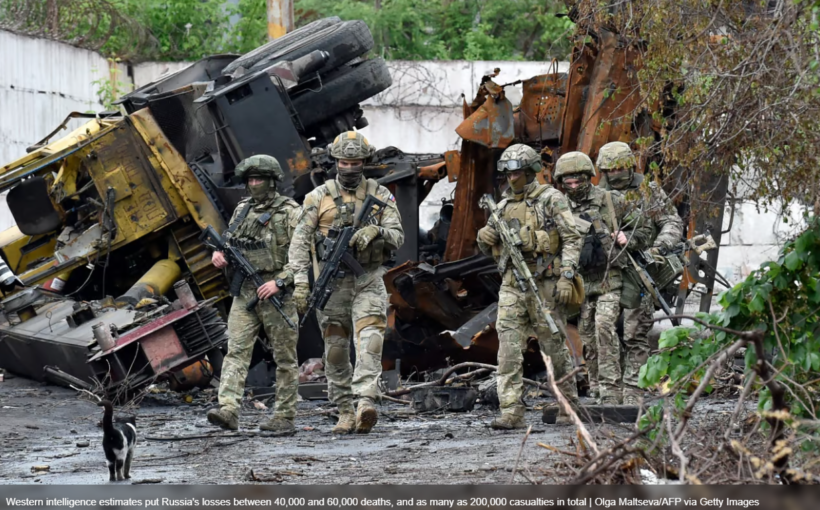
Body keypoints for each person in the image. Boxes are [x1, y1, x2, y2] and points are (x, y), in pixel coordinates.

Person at [287, 131, 404, 434]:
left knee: (370, 340)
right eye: (344, 162)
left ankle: (366, 400)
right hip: (332, 285)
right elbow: (299, 242)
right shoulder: (318, 197)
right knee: (336, 350)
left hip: (367, 279)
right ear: (335, 162)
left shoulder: (381, 195)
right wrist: (300, 283)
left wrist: (376, 232)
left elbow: (398, 236)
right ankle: (343, 409)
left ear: (364, 162)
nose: (349, 168)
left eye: (355, 162)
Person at [476, 144, 583, 429]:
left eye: (517, 173)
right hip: (512, 285)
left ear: (531, 171)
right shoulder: (501, 206)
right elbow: (491, 249)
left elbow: (572, 238)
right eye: (508, 173)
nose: (512, 179)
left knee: (553, 347)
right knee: (508, 349)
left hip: (545, 282)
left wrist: (567, 275)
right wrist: (485, 238)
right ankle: (511, 411)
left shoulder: (551, 199)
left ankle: (567, 404)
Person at [206, 155, 301, 434]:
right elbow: (228, 242)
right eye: (250, 180)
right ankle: (228, 409)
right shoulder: (242, 210)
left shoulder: (290, 212)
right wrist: (219, 255)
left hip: (276, 293)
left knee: (284, 357)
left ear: (272, 181)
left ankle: (284, 416)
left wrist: (280, 282)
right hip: (245, 290)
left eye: (259, 179)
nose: (254, 184)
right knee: (236, 351)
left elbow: (305, 257)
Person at [553, 151, 652, 405]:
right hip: (583, 283)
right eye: (569, 183)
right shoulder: (559, 207)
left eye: (579, 181)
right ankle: (596, 386)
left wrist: (626, 237)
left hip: (611, 278)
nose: (574, 187)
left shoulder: (610, 200)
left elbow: (644, 229)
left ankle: (611, 389)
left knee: (605, 327)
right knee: (587, 336)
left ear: (589, 177)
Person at [596, 142, 683, 405]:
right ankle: (609, 391)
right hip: (608, 271)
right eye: (610, 169)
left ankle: (635, 391)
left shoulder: (647, 190)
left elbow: (671, 221)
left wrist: (659, 247)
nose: (615, 173)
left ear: (630, 166)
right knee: (604, 330)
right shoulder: (597, 194)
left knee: (635, 332)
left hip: (641, 268)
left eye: (621, 168)